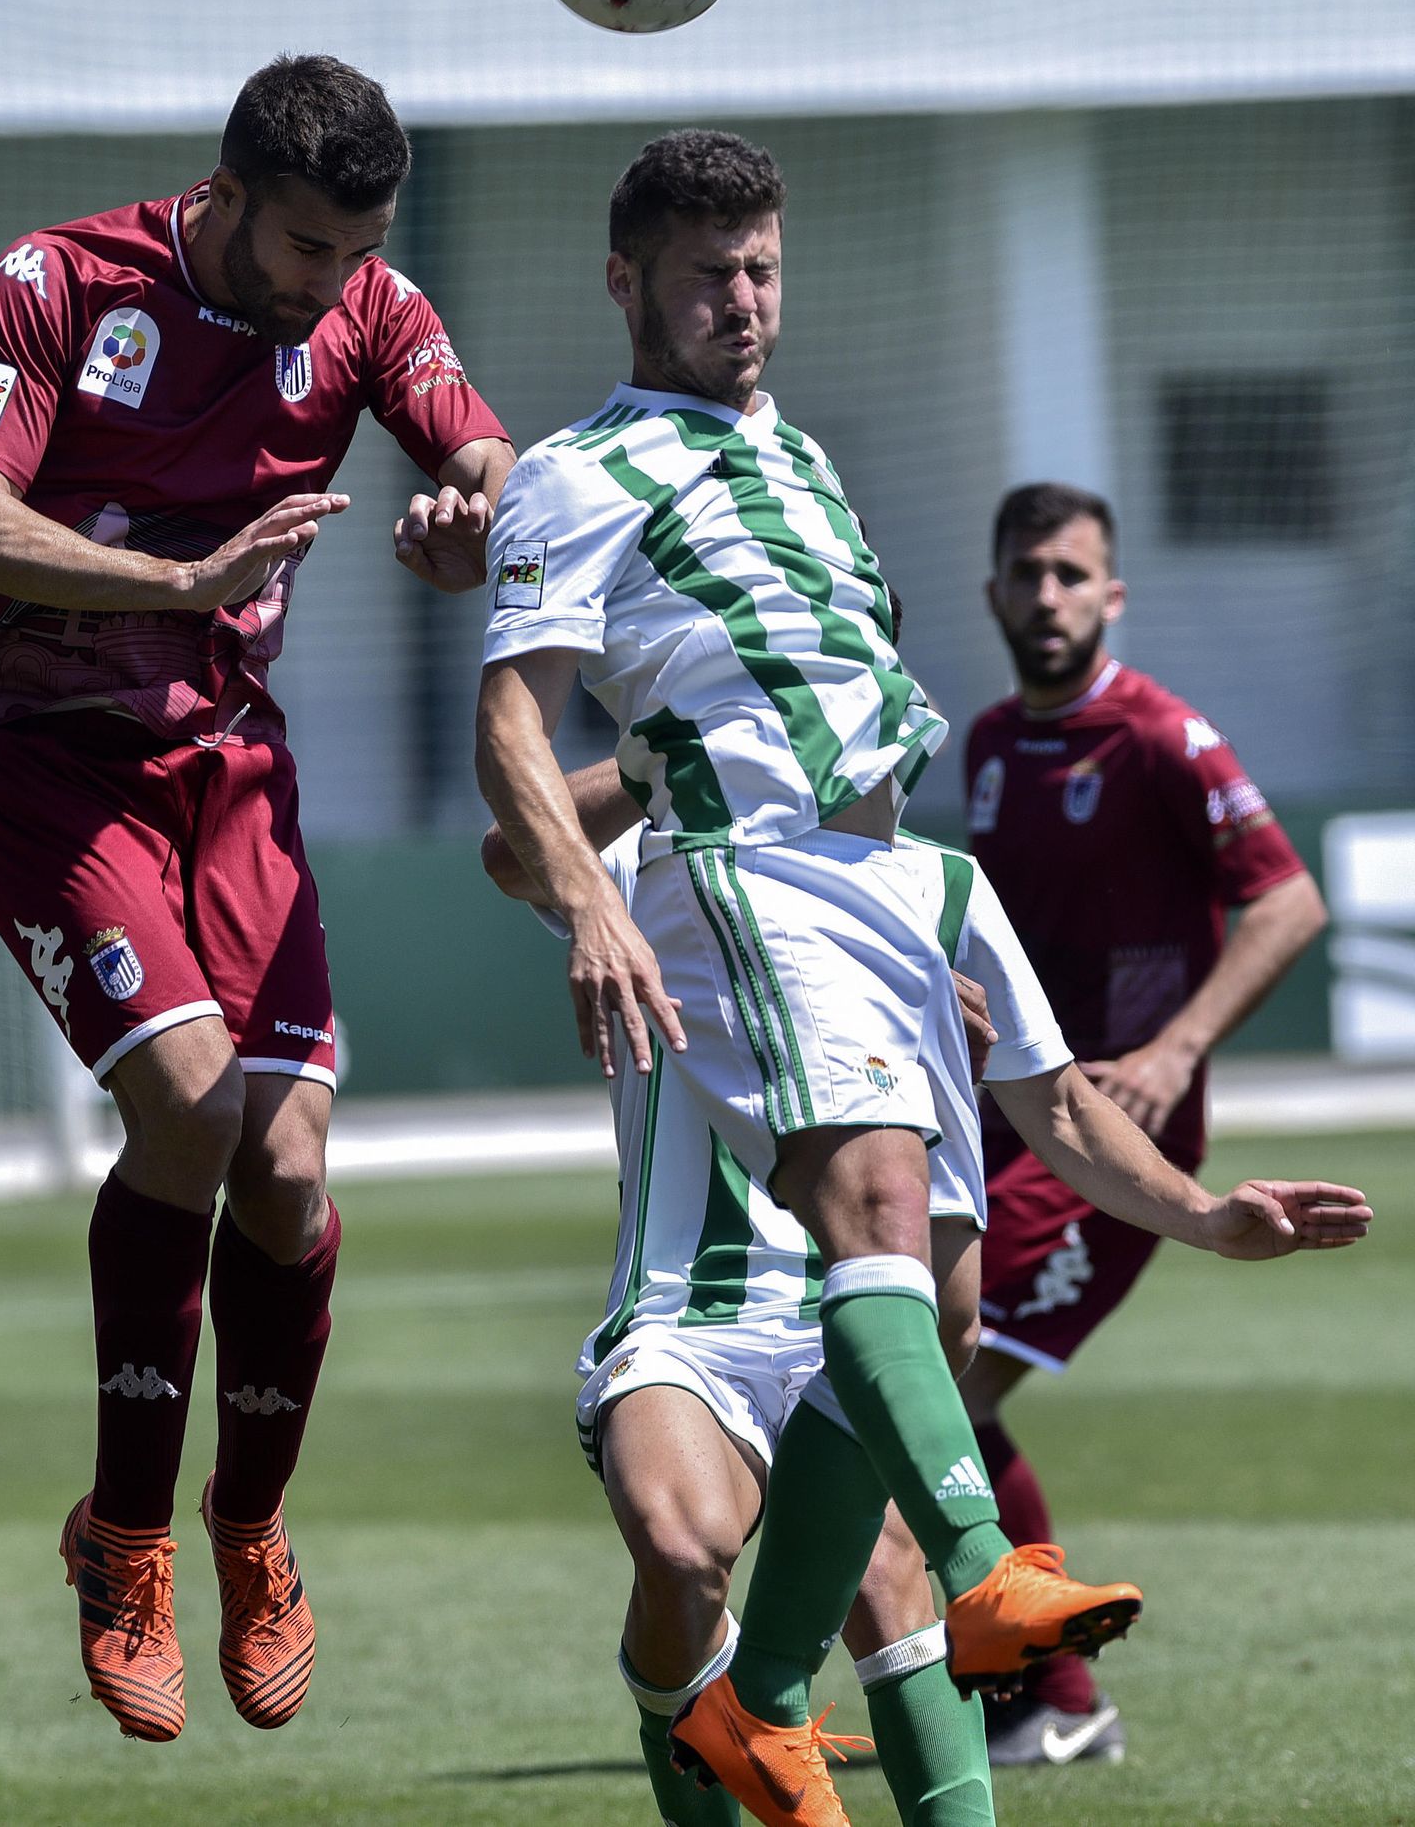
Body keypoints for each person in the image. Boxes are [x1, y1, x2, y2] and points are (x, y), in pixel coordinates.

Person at [472, 128, 1149, 1827]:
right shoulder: (582, 470)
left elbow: (774, 716)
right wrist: (596, 900)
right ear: (626, 282)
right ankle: (876, 1630)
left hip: (877, 913)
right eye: (707, 273)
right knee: (704, 1542)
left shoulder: (806, 462)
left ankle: (772, 1699)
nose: (744, 302)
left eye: (762, 267)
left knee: (927, 1394)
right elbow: (515, 750)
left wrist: (898, 936)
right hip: (770, 940)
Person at [0, 54, 515, 1743]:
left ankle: (248, 1523)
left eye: (357, 250)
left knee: (291, 1160)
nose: (330, 281)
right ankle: (121, 1536)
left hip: (230, 775)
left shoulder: (370, 305)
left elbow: (480, 442)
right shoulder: (59, 283)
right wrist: (188, 579)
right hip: (53, 760)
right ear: (229, 193)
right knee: (189, 1109)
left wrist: (472, 508)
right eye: (306, 245)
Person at [484, 757, 1371, 1827]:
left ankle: (910, 1656)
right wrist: (663, 747)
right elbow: (510, 856)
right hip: (693, 1309)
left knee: (889, 1582)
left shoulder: (941, 887)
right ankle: (764, 1699)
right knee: (682, 1559)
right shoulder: (649, 860)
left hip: (863, 1305)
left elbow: (1063, 1107)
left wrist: (1205, 1218)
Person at [962, 480, 1331, 1769]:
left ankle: (1053, 1699)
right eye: (1030, 574)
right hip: (1001, 1121)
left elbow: (1287, 903)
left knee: (938, 1389)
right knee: (916, 1388)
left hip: (1111, 1149)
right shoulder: (992, 744)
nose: (1050, 595)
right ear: (995, 592)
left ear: (1111, 594)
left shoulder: (1165, 736)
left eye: (1073, 575)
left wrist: (1176, 1051)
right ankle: (1024, 1690)